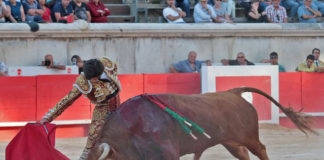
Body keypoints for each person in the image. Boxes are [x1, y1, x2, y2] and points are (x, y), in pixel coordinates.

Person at [40, 57, 121, 160]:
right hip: (102, 109)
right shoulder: (83, 82)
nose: (93, 81)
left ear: (100, 73)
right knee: (92, 141)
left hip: (118, 104)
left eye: (95, 78)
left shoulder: (108, 64)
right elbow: (67, 100)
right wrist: (48, 117)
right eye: (91, 79)